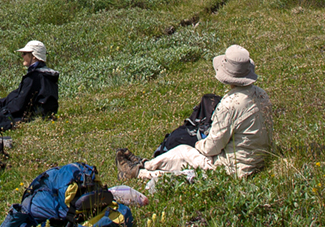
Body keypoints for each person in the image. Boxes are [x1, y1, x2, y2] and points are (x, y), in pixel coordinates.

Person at [117, 45, 273, 182]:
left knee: (184, 152)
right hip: (258, 159)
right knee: (185, 154)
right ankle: (145, 164)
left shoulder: (230, 105)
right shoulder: (261, 94)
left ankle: (141, 171)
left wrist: (198, 145)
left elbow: (213, 147)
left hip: (234, 168)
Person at [0, 39, 59, 129]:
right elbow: (18, 95)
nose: (22, 56)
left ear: (34, 56)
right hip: (42, 115)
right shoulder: (47, 74)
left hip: (30, 117)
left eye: (25, 53)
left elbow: (20, 104)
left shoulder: (34, 77)